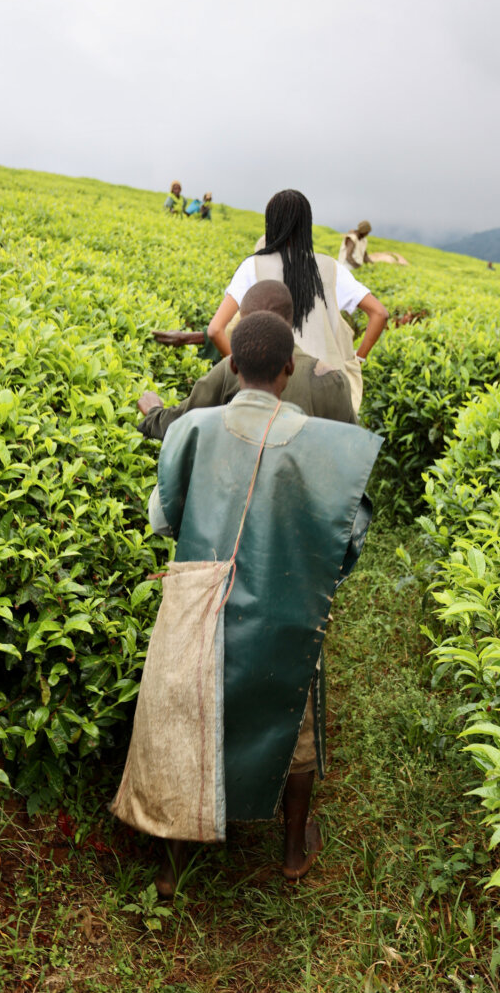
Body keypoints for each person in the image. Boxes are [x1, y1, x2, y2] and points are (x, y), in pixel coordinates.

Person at [111, 312, 382, 894]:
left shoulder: (192, 430)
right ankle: (290, 850)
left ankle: (172, 862)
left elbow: (164, 516)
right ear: (289, 370)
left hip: (199, 599)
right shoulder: (326, 446)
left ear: (232, 365)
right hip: (285, 605)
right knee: (297, 719)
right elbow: (349, 539)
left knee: (186, 712)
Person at [204, 190, 389, 414]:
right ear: (307, 225)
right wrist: (357, 359)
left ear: (270, 223)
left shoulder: (253, 267)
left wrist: (244, 374)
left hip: (271, 393)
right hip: (329, 388)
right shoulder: (331, 269)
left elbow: (215, 330)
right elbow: (379, 313)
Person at [138, 280, 356, 440]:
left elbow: (181, 425)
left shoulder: (232, 369)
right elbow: (351, 449)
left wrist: (153, 412)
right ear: (290, 320)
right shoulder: (333, 380)